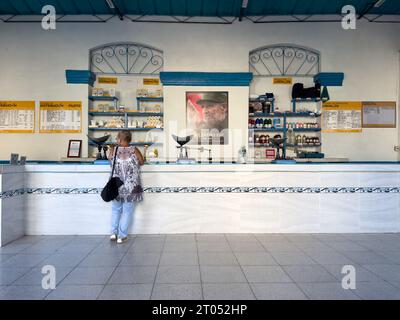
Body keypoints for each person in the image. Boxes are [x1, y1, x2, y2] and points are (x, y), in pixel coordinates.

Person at [108, 130, 146, 243]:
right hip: (130, 186)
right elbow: (142, 162)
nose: (116, 140)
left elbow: (110, 162)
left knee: (115, 210)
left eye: (117, 138)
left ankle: (113, 233)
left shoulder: (113, 151)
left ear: (120, 139)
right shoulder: (134, 150)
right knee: (127, 211)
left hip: (116, 185)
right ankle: (122, 236)